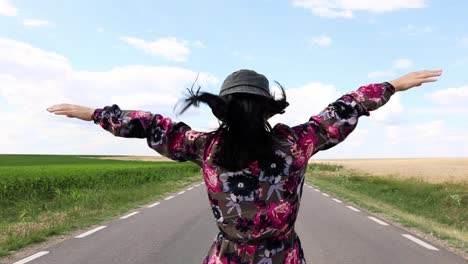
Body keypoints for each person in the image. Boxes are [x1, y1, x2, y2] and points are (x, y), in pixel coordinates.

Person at [47, 69, 442, 263]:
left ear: (223, 109)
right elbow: (344, 108)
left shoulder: (205, 146)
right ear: (268, 109)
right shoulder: (295, 143)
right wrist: (391, 85)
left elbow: (152, 125)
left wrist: (96, 113)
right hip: (282, 256)